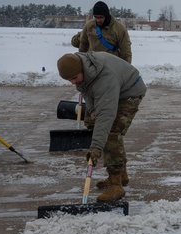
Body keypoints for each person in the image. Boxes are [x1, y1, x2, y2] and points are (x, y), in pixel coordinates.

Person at [57, 51, 147, 203]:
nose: (72, 82)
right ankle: (121, 174)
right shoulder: (83, 72)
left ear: (82, 70)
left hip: (129, 92)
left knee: (111, 133)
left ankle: (116, 184)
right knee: (94, 123)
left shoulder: (104, 78)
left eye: (73, 78)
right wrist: (92, 110)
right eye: (68, 80)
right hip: (116, 88)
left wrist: (96, 148)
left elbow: (106, 116)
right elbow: (87, 91)